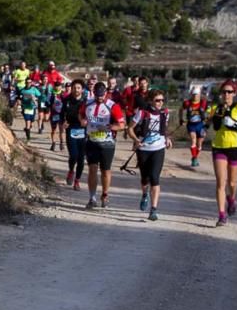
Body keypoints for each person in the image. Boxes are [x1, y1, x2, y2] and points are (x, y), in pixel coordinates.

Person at [208, 81, 237, 227]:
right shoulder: (216, 108)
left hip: (235, 147)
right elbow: (207, 122)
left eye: (229, 92)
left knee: (232, 183)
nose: (226, 95)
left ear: (234, 94)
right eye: (224, 92)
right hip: (219, 147)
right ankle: (222, 215)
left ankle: (232, 199)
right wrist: (205, 121)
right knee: (221, 183)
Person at [128, 90, 173, 221]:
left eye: (162, 100)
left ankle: (153, 209)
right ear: (150, 101)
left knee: (155, 178)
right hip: (143, 149)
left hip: (158, 149)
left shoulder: (165, 113)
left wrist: (168, 138)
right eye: (157, 100)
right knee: (144, 178)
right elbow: (130, 128)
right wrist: (136, 140)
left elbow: (164, 129)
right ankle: (144, 194)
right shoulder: (142, 113)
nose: (160, 103)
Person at [81, 81, 126, 209]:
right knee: (92, 169)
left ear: (106, 93)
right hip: (91, 141)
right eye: (97, 95)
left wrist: (111, 127)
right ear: (93, 93)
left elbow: (122, 125)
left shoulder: (113, 106)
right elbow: (81, 114)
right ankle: (92, 197)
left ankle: (105, 194)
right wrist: (83, 120)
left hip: (107, 143)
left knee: (105, 171)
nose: (99, 98)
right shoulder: (88, 103)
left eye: (102, 95)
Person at [62, 80, 88, 188]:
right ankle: (71, 170)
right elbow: (61, 114)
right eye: (74, 88)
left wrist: (86, 122)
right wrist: (63, 122)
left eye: (78, 88)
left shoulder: (86, 102)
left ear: (82, 89)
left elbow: (90, 116)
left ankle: (77, 180)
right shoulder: (66, 100)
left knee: (81, 158)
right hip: (71, 129)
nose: (76, 90)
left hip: (83, 130)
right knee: (73, 155)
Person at [179, 89, 208, 167]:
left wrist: (207, 120)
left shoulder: (203, 103)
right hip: (191, 125)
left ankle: (195, 157)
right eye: (194, 94)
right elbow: (181, 110)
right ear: (191, 95)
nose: (195, 96)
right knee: (193, 141)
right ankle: (194, 158)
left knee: (199, 145)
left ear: (199, 95)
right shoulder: (187, 103)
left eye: (197, 94)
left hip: (200, 125)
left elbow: (209, 111)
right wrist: (181, 119)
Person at [49, 83, 65, 151]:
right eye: (56, 86)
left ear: (61, 87)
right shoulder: (51, 94)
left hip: (61, 115)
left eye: (59, 86)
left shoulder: (63, 94)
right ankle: (53, 143)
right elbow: (48, 103)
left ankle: (62, 143)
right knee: (53, 130)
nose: (57, 87)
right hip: (54, 114)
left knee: (61, 130)